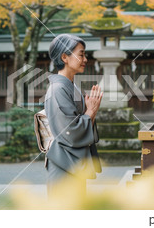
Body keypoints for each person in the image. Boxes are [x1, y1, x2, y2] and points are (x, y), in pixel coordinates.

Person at [44, 34, 103, 199]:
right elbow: (70, 132)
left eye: (85, 54)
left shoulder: (71, 87)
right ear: (65, 57)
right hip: (62, 167)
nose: (85, 59)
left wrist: (91, 111)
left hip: (72, 163)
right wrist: (90, 111)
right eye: (81, 54)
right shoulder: (58, 89)